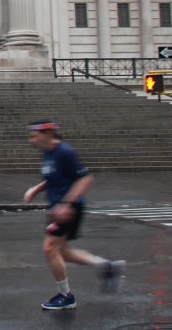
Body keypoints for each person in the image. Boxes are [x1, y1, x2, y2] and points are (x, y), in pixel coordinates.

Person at [23, 119, 124, 310]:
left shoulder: (64, 152)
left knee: (49, 249)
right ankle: (106, 266)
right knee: (62, 253)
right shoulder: (48, 153)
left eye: (34, 136)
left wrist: (66, 204)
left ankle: (65, 296)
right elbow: (52, 177)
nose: (31, 140)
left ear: (48, 134)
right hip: (57, 209)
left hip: (68, 210)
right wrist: (35, 189)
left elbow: (85, 179)